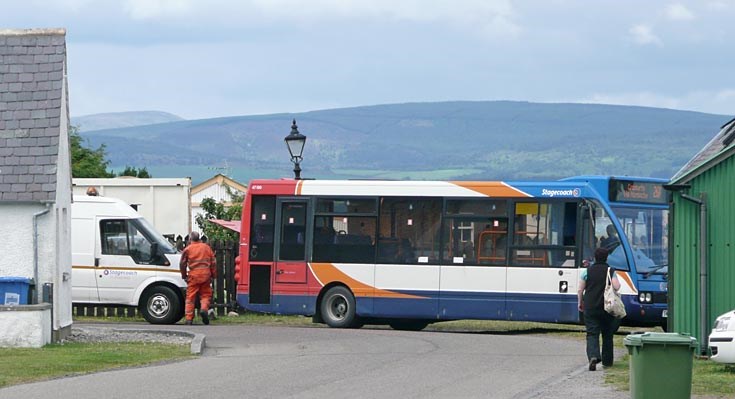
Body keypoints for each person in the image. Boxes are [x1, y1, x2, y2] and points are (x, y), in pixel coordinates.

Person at [578, 247, 621, 370]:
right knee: (607, 334)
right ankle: (607, 362)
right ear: (607, 257)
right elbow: (617, 286)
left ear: (595, 257)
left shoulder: (588, 271)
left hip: (590, 306)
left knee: (592, 333)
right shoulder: (610, 270)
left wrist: (580, 302)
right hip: (607, 307)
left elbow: (580, 289)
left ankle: (593, 356)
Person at [180, 231, 216, 325]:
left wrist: (184, 276)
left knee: (190, 297)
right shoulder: (206, 248)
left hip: (193, 276)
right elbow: (213, 263)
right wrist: (213, 275)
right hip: (205, 275)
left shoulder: (187, 249)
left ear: (190, 239)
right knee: (205, 295)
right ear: (199, 238)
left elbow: (182, 264)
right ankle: (204, 309)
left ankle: (189, 319)